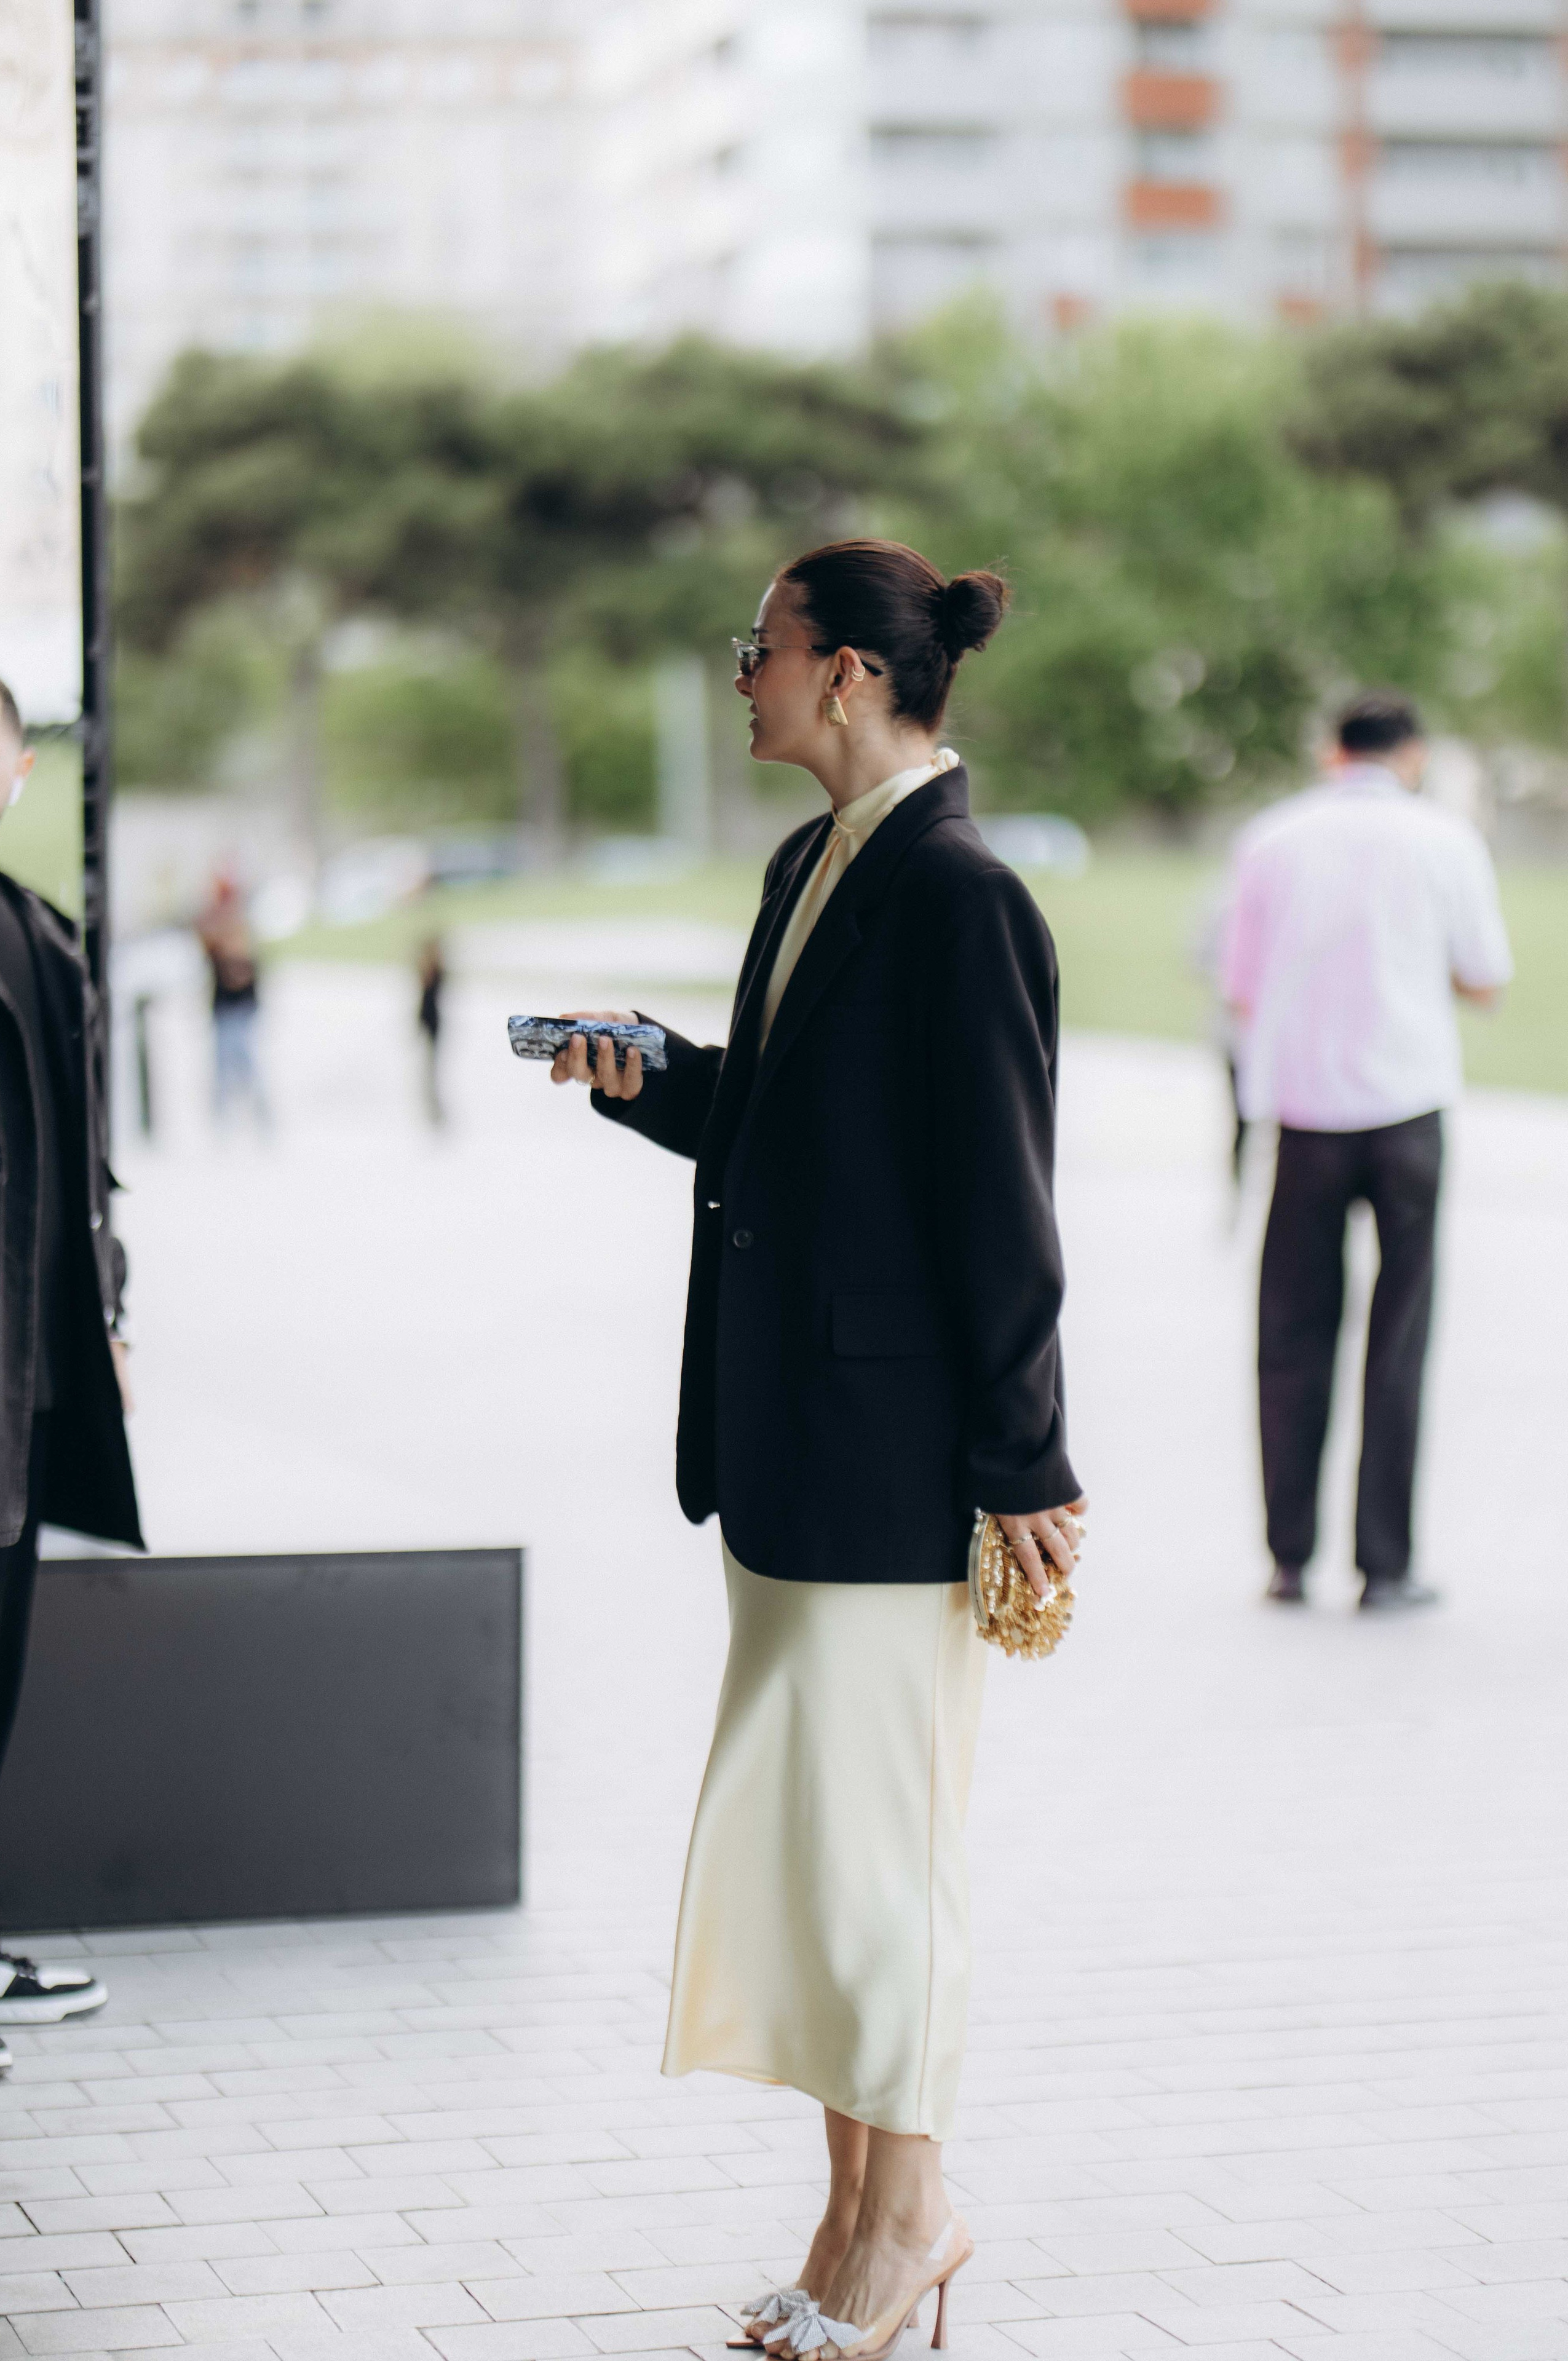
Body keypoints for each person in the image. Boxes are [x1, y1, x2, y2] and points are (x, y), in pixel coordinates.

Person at [550, 542, 1087, 2361]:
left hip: (890, 1466)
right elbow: (782, 1132)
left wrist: (1022, 1466)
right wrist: (658, 1081)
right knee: (816, 1855)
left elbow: (1001, 1213)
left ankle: (913, 2211)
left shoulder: (962, 897)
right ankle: (854, 2209)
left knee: (875, 1866)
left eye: (759, 649)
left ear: (848, 674)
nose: (739, 675)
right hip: (786, 1452)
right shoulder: (816, 862)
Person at [1221, 692, 1512, 1613]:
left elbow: (1239, 990)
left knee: (1292, 1337)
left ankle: (1290, 1557)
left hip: (1304, 1115)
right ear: (1413, 755)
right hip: (1406, 1110)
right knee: (1400, 1338)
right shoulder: (1446, 841)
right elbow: (1488, 980)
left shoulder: (1270, 839)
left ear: (1329, 751)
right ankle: (1385, 1566)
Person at [0, 674, 142, 2074]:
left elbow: (86, 1162)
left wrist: (110, 1321)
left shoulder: (40, 934)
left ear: (18, 766)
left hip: (28, 1381)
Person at [197, 873, 269, 1128]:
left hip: (241, 1005)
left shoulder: (240, 927)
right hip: (224, 1005)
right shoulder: (215, 926)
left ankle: (260, 1119)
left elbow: (243, 971)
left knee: (244, 1063)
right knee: (224, 1065)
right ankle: (224, 1120)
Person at [416, 936, 446, 1128]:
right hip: (428, 1016)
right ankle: (430, 1085)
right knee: (429, 1055)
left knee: (432, 1056)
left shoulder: (437, 971)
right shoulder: (431, 969)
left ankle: (431, 1086)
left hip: (433, 1017)